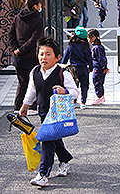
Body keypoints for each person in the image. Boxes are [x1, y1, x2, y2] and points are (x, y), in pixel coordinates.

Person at [19, 36, 79, 187]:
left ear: (58, 57)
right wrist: (25, 105)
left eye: (48, 54)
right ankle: (64, 160)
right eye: (41, 54)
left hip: (58, 115)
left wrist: (64, 91)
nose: (43, 57)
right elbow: (31, 90)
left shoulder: (62, 73)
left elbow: (75, 93)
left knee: (47, 140)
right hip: (43, 112)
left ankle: (42, 174)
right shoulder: (35, 72)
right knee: (54, 139)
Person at [8, 0, 44, 116]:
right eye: (39, 5)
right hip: (31, 57)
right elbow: (34, 39)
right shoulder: (38, 21)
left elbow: (11, 34)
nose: (40, 7)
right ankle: (31, 107)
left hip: (18, 58)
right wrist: (22, 50)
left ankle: (18, 106)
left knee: (22, 82)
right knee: (33, 83)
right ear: (35, 6)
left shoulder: (18, 17)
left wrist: (15, 49)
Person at [62, 26, 93, 110]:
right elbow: (89, 57)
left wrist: (62, 66)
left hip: (73, 69)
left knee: (73, 86)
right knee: (84, 85)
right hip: (83, 68)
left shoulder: (71, 44)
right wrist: (91, 67)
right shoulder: (85, 45)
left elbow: (66, 56)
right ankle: (83, 102)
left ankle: (74, 101)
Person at [87, 29, 109, 105]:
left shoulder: (97, 48)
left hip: (98, 68)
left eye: (89, 37)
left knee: (97, 81)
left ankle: (100, 97)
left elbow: (101, 58)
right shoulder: (97, 46)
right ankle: (100, 96)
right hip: (99, 67)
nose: (88, 39)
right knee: (99, 82)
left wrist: (104, 67)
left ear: (94, 38)